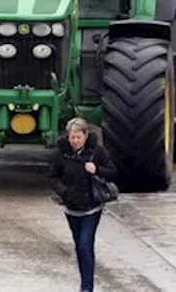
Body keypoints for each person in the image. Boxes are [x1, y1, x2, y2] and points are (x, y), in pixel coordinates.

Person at [49, 117, 118, 292]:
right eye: (72, 137)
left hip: (92, 207)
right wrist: (64, 191)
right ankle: (84, 282)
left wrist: (97, 169)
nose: (75, 141)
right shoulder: (61, 154)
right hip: (71, 208)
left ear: (85, 135)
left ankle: (87, 288)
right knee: (79, 246)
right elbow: (53, 177)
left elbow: (113, 172)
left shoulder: (97, 152)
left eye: (78, 137)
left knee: (85, 245)